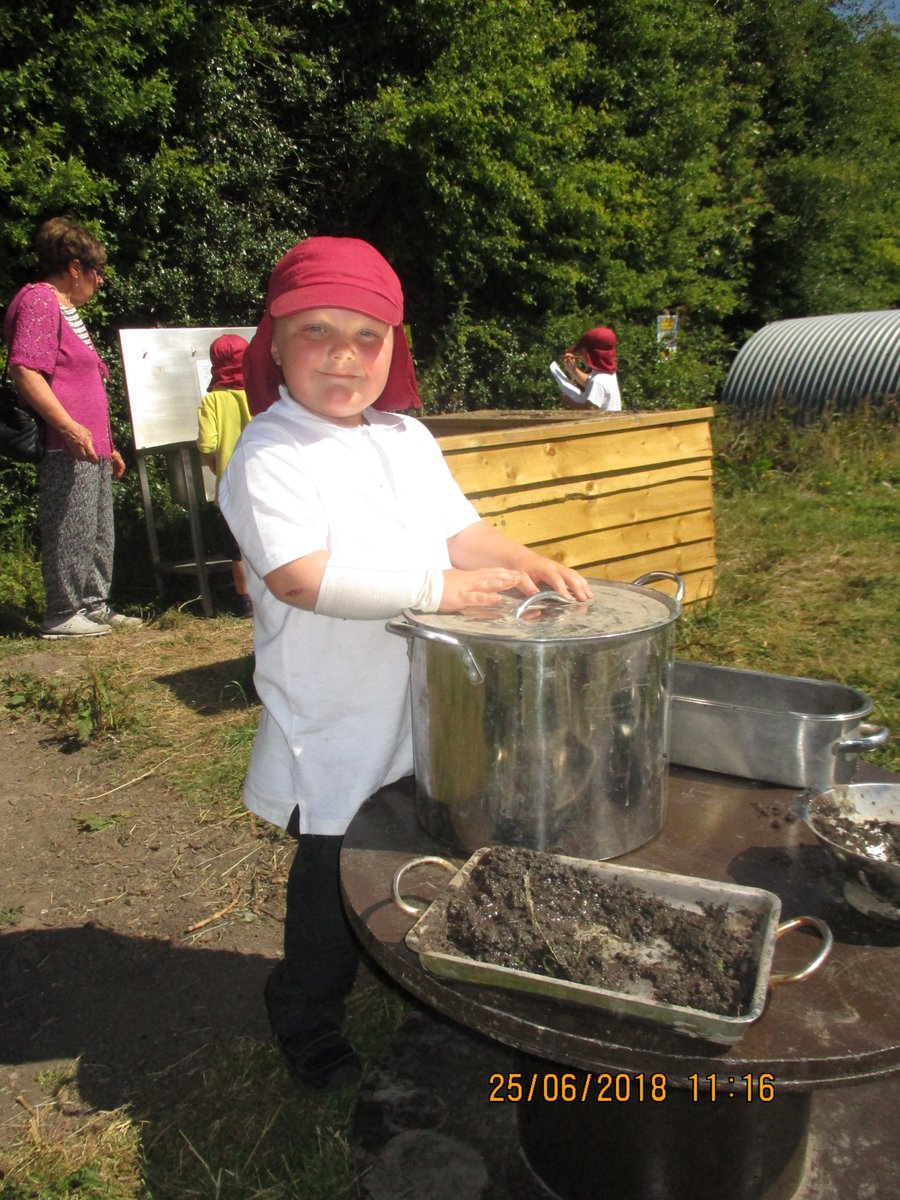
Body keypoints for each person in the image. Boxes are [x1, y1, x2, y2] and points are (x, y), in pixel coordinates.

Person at [220, 236, 592, 1093]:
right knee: (328, 879)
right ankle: (306, 1012)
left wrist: (526, 558)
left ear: (395, 347)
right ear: (274, 341)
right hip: (334, 712)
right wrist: (444, 589)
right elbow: (299, 577)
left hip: (422, 700)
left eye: (368, 336)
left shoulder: (404, 438)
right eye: (317, 332)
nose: (344, 357)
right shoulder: (271, 452)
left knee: (424, 846)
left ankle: (422, 974)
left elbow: (461, 531)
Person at [3, 216, 142, 638]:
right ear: (74, 267)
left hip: (89, 445)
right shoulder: (41, 300)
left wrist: (106, 443)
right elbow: (25, 370)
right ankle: (62, 613)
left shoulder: (64, 308)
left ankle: (94, 605)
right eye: (96, 272)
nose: (99, 282)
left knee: (97, 528)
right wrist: (68, 428)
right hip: (66, 444)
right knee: (71, 527)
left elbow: (79, 381)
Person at [196, 334, 253, 616]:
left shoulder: (212, 401)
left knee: (236, 550)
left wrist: (218, 468)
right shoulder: (259, 393)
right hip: (265, 483)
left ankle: (245, 603)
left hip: (231, 488)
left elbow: (208, 445)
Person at [549, 324, 622, 412]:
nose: (580, 355)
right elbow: (589, 382)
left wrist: (568, 401)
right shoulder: (608, 374)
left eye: (582, 351)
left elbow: (590, 410)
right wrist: (573, 370)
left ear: (592, 355)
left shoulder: (598, 381)